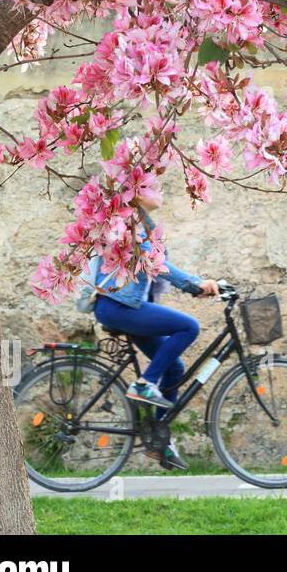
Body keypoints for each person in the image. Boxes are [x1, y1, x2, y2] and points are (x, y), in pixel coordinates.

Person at [88, 191, 218, 470]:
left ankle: (159, 442)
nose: (159, 191)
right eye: (152, 185)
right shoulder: (130, 220)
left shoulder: (142, 223)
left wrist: (197, 285)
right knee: (189, 326)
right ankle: (144, 384)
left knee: (173, 369)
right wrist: (195, 283)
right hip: (118, 306)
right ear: (136, 192)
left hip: (126, 306)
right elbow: (157, 264)